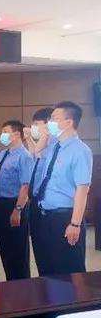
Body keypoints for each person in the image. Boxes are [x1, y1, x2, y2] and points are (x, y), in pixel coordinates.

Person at [31, 101, 92, 275]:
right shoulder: (54, 147)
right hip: (46, 217)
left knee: (69, 272)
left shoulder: (80, 150)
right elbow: (36, 151)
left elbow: (82, 190)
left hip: (65, 218)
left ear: (69, 122)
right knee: (48, 267)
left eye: (54, 118)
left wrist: (75, 223)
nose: (50, 123)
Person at [0, 121, 33, 282]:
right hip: (0, 204)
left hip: (14, 204)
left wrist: (18, 209)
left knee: (18, 250)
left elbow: (25, 186)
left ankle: (21, 285)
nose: (2, 135)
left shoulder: (24, 156)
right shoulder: (3, 154)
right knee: (5, 247)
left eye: (5, 131)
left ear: (16, 134)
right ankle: (11, 282)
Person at [25, 107, 54, 274]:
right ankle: (44, 279)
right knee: (38, 246)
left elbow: (38, 152)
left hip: (46, 204)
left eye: (37, 124)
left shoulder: (52, 148)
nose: (33, 127)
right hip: (34, 201)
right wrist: (29, 138)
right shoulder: (41, 147)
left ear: (48, 124)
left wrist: (44, 135)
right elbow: (34, 153)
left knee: (49, 250)